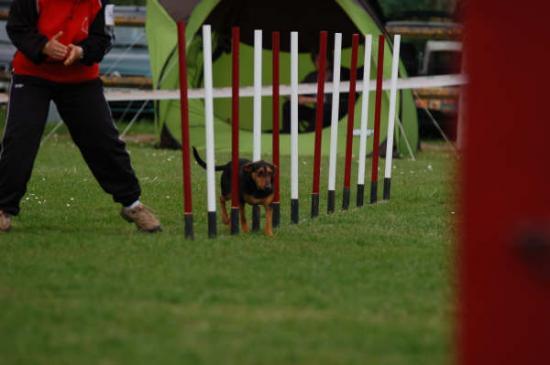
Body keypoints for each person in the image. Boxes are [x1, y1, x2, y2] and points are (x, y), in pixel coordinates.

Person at [0, 0, 161, 233]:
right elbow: (16, 27)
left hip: (80, 79)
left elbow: (104, 39)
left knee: (104, 142)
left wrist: (81, 51)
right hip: (32, 75)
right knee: (20, 140)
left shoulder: (101, 2)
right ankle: (4, 208)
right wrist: (43, 46)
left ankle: (132, 204)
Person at [281, 51, 358, 134]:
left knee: (324, 109)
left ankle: (307, 135)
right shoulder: (312, 77)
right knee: (288, 106)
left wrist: (306, 99)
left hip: (338, 114)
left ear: (330, 60)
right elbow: (294, 91)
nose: (319, 62)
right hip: (318, 113)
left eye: (323, 59)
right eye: (316, 60)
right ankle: (290, 135)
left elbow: (333, 98)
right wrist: (294, 97)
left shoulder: (341, 73)